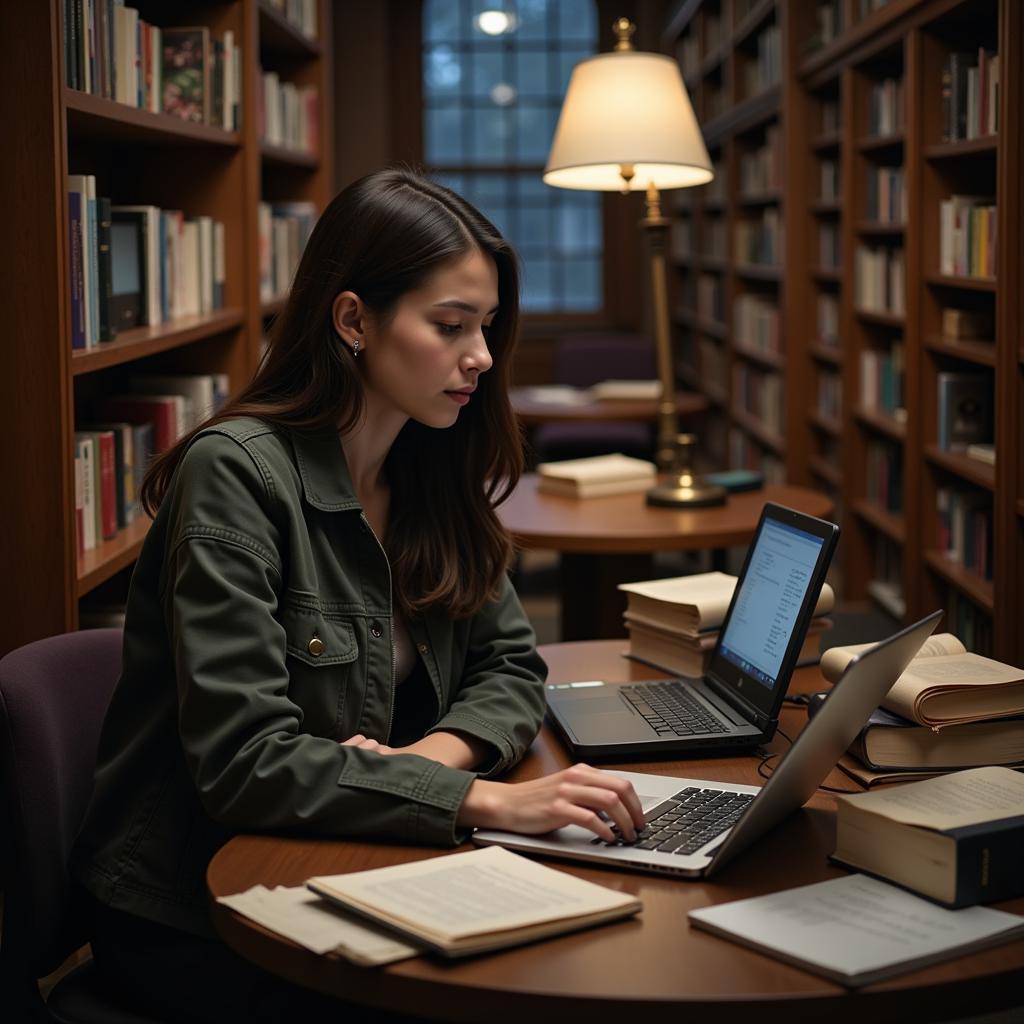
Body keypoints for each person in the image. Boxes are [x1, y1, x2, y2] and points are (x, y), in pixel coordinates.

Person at [72, 168, 645, 1022]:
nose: (481, 358)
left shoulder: (428, 461)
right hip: (203, 909)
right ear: (352, 320)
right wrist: (481, 796)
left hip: (354, 856)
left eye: (485, 327)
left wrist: (429, 762)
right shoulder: (235, 475)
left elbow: (513, 664)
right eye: (450, 326)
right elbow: (245, 765)